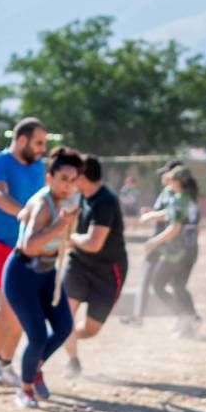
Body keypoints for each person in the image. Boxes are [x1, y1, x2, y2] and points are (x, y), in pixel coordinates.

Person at [1, 147, 81, 408]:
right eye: (63, 179)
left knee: (64, 327)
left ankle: (34, 367)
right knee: (37, 335)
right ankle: (25, 390)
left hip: (46, 272)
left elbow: (62, 238)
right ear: (49, 178)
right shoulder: (43, 203)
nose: (68, 185)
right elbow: (29, 246)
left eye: (73, 180)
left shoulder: (66, 202)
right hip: (22, 274)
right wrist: (59, 226)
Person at [0, 117, 48, 386]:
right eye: (38, 143)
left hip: (25, 244)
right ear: (21, 140)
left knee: (22, 308)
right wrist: (24, 214)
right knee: (10, 306)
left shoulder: (38, 166)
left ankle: (6, 364)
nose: (42, 149)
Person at [62, 154, 127, 376]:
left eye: (74, 176)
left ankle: (68, 336)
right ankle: (72, 361)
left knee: (91, 329)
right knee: (65, 317)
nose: (71, 180)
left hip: (108, 271)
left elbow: (93, 243)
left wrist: (70, 238)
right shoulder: (81, 197)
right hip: (79, 264)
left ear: (83, 177)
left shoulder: (105, 201)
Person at [122, 159, 181, 326]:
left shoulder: (174, 192)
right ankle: (184, 314)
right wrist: (152, 212)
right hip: (163, 240)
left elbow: (172, 213)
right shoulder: (168, 191)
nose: (163, 176)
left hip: (164, 241)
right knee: (157, 279)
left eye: (166, 172)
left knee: (160, 281)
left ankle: (185, 314)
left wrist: (152, 216)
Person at [145, 166, 201, 337]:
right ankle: (189, 320)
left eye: (171, 179)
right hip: (191, 250)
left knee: (158, 284)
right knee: (178, 286)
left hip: (176, 253)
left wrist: (153, 243)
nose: (169, 182)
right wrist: (152, 216)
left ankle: (184, 316)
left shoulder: (178, 199)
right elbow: (194, 227)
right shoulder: (191, 200)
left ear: (178, 182)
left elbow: (174, 229)